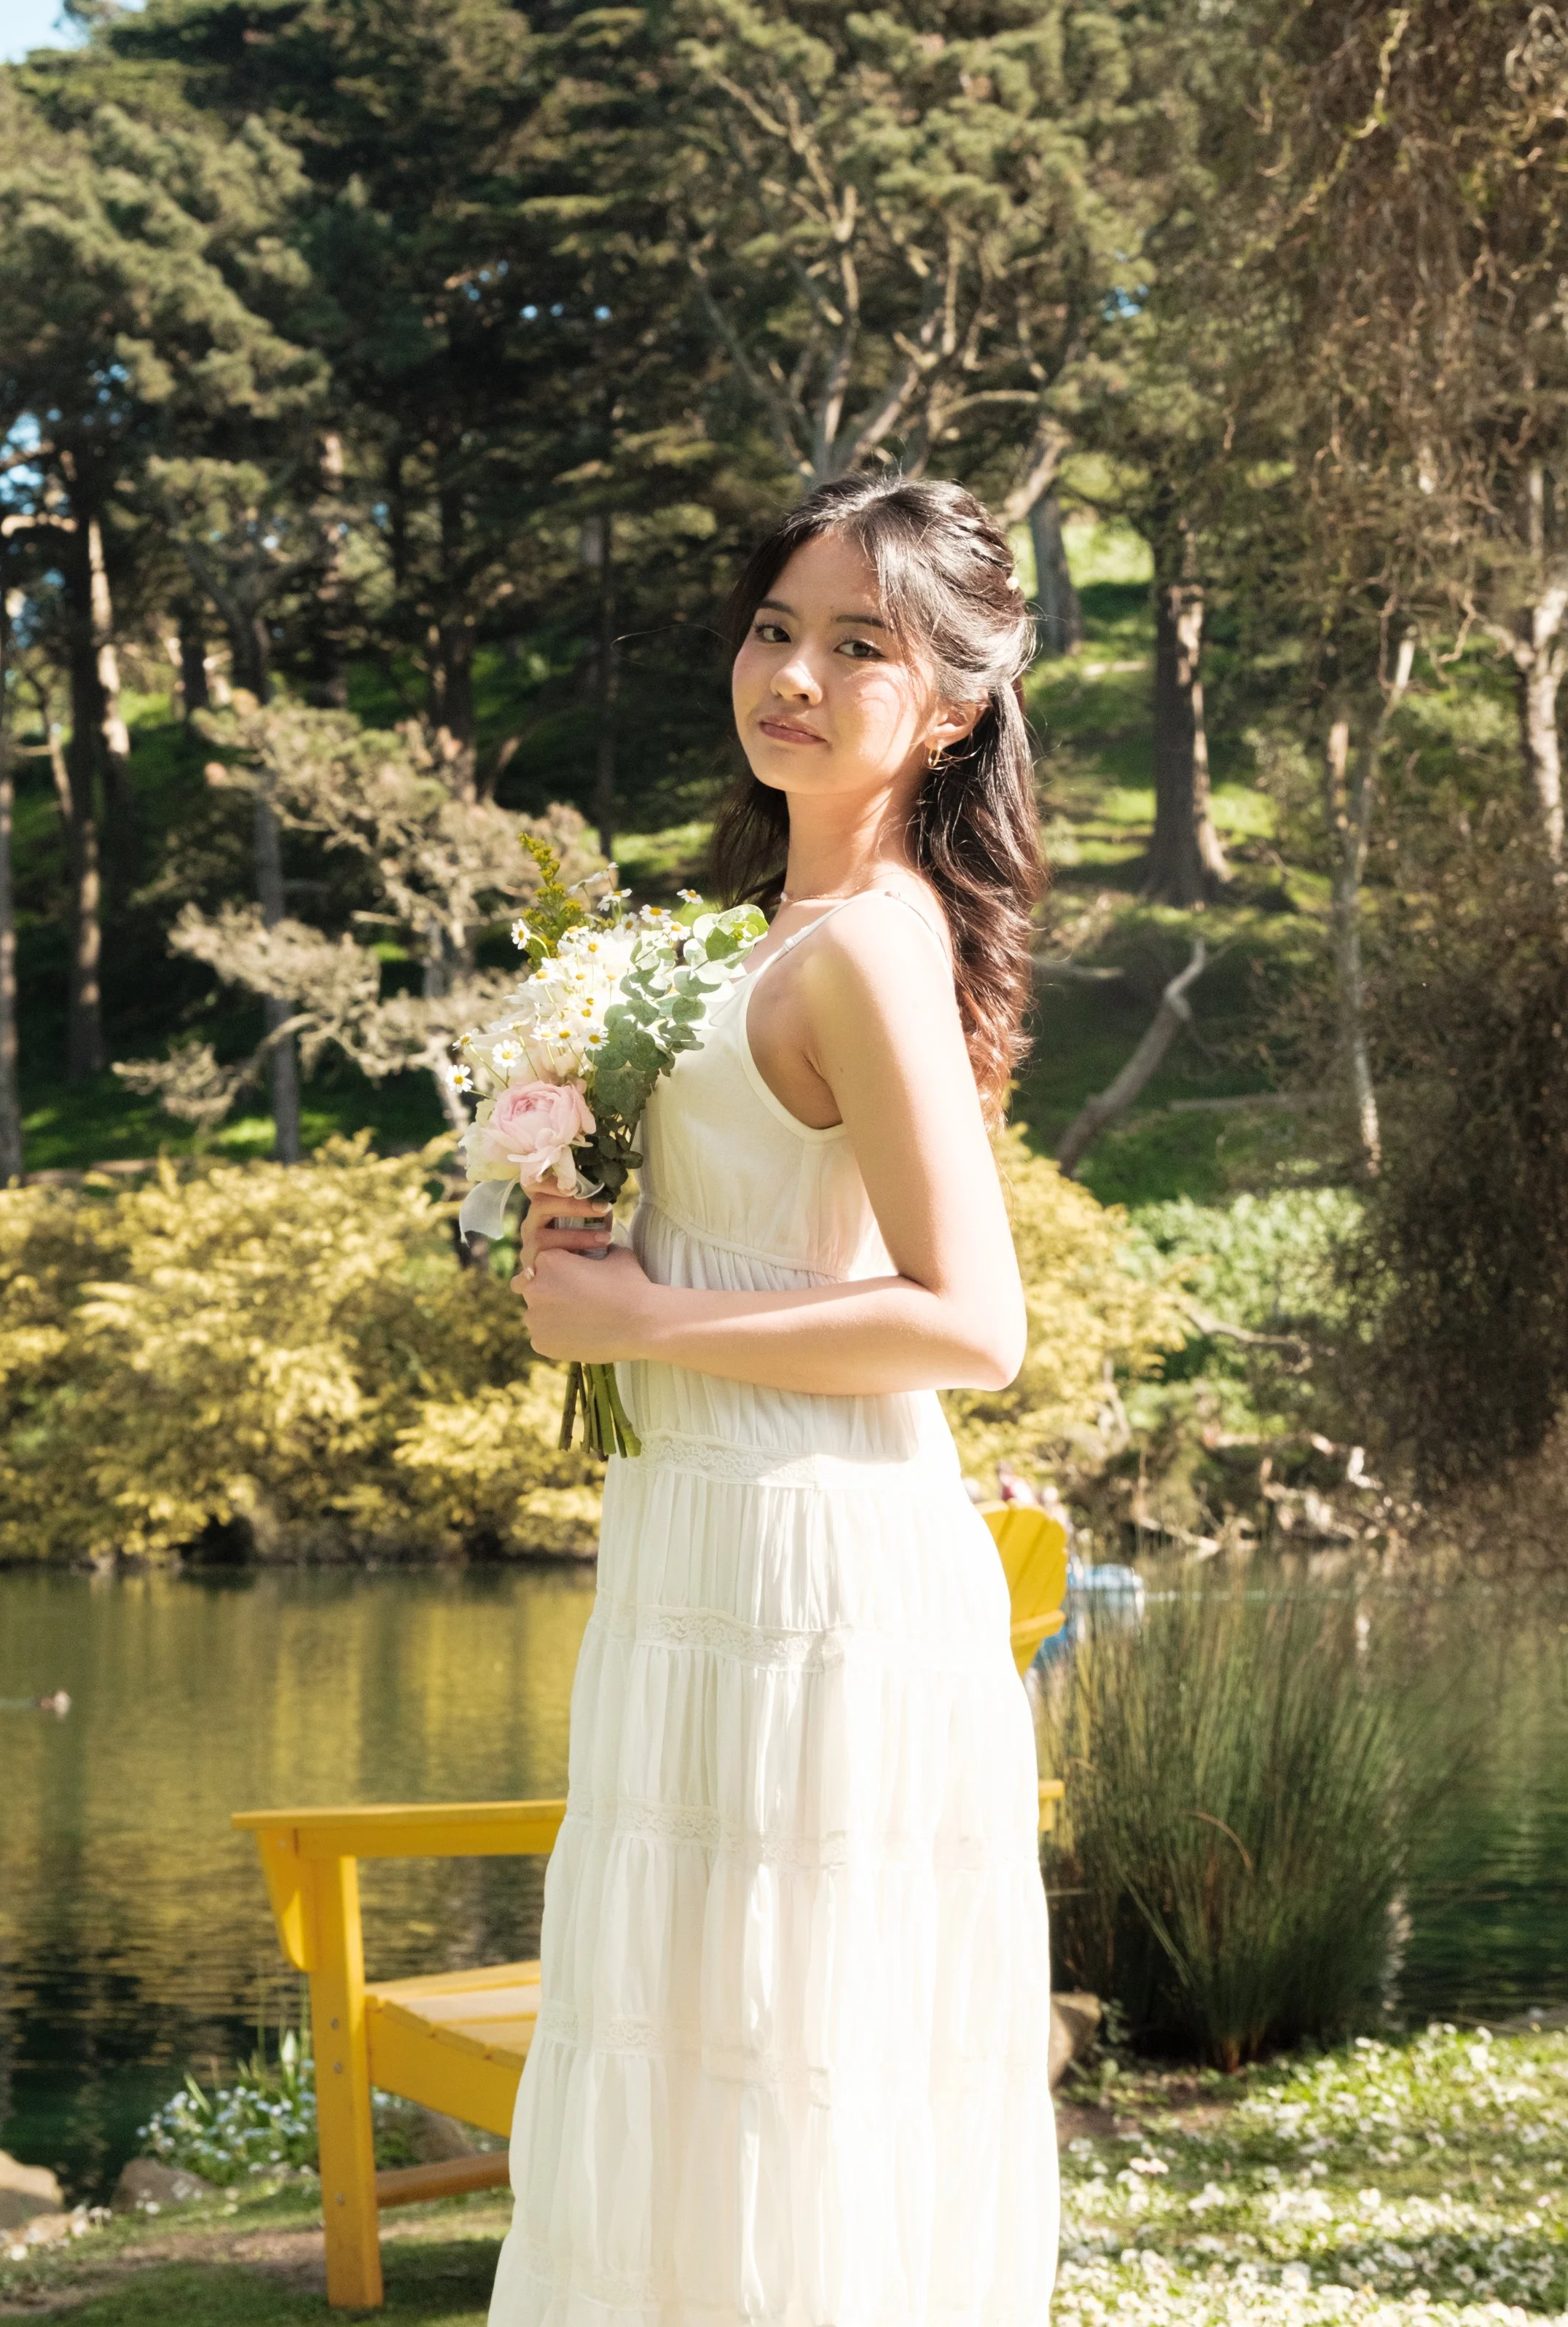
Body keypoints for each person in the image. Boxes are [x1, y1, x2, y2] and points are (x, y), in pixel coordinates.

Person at [489, 474, 1060, 2327]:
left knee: (784, 2077)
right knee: (683, 2070)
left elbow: (972, 1325)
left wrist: (640, 1317)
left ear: (952, 704)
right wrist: (570, 1236)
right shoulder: (743, 935)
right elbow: (713, 1242)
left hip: (817, 1576)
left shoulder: (871, 944)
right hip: (698, 1551)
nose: (791, 675)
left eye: (855, 644)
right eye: (770, 627)